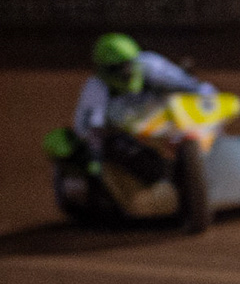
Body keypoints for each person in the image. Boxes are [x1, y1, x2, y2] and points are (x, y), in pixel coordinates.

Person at [70, 34, 216, 181]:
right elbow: (87, 129)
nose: (126, 71)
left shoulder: (151, 65)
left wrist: (206, 110)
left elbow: (195, 88)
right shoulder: (95, 89)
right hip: (131, 136)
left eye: (128, 64)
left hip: (167, 121)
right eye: (117, 68)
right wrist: (95, 156)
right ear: (103, 70)